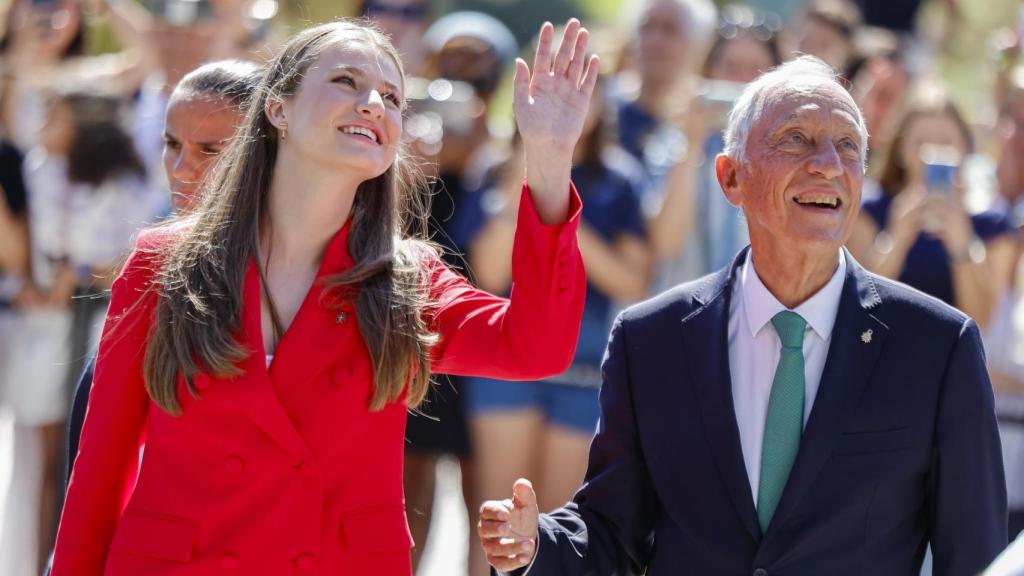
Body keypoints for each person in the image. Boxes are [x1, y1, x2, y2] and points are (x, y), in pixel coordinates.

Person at [51, 17, 597, 575]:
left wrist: (549, 157)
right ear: (277, 108)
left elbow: (537, 347)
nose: (372, 104)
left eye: (390, 97)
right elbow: (97, 475)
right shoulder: (160, 262)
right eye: (345, 81)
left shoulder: (410, 278)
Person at [478, 56, 1007, 575]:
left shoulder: (937, 347)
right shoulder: (652, 340)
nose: (827, 163)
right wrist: (538, 543)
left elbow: (976, 558)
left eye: (847, 145)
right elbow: (614, 531)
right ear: (731, 178)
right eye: (796, 138)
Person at [466, 73, 651, 576]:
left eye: (577, 94)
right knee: (494, 529)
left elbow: (632, 280)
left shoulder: (621, 178)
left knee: (553, 535)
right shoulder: (496, 168)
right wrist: (527, 175)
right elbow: (488, 271)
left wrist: (559, 213)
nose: (562, 104)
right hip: (504, 372)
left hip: (583, 373)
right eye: (544, 94)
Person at [846, 84, 1016, 330]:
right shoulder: (870, 210)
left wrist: (962, 244)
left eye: (946, 142)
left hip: (951, 363)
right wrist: (895, 240)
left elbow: (981, 322)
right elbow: (856, 305)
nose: (933, 155)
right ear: (901, 150)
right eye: (921, 143)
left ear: (965, 148)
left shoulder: (992, 224)